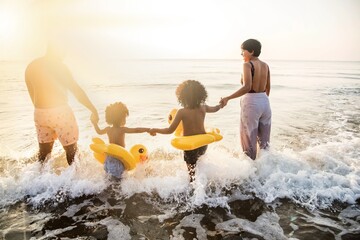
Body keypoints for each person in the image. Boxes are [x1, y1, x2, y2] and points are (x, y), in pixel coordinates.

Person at [25, 43, 99, 165]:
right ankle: (75, 182)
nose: (65, 54)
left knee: (44, 154)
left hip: (39, 113)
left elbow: (32, 93)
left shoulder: (32, 66)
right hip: (60, 113)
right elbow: (76, 91)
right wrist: (93, 109)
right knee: (72, 152)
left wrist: (43, 110)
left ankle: (37, 180)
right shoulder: (59, 66)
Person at [149, 80, 221, 182]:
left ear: (182, 97)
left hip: (190, 147)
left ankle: (192, 187)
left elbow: (170, 130)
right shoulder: (203, 107)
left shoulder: (182, 112)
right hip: (203, 144)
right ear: (201, 94)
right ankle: (202, 182)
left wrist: (155, 129)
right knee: (199, 162)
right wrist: (221, 104)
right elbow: (215, 109)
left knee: (191, 172)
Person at [220, 39, 271, 160]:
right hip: (265, 102)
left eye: (243, 51)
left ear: (251, 51)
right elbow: (268, 88)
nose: (241, 54)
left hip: (251, 102)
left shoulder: (247, 65)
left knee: (248, 143)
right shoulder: (265, 65)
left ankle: (250, 176)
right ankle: (267, 172)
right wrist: (261, 100)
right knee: (265, 144)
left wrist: (228, 98)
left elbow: (247, 87)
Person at [91, 101, 151, 179]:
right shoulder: (122, 130)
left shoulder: (108, 129)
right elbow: (137, 130)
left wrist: (94, 123)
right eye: (125, 117)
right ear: (122, 118)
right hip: (118, 161)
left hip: (108, 161)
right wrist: (148, 129)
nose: (125, 120)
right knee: (119, 182)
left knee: (109, 180)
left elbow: (99, 131)